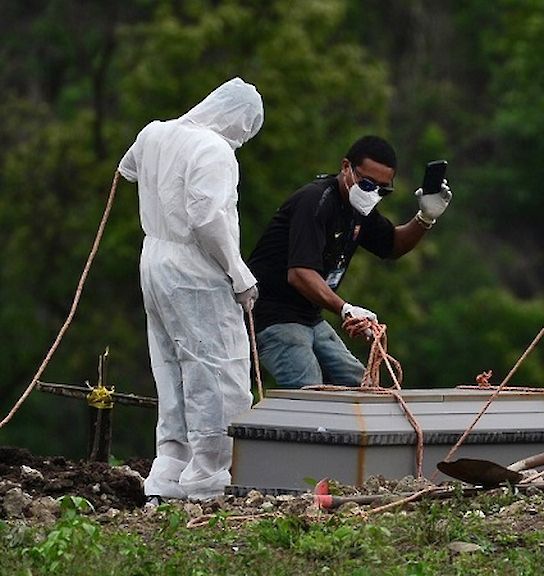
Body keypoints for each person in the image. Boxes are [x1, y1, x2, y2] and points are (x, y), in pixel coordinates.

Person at [117, 77, 263, 501]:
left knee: (171, 367)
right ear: (238, 121)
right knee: (218, 370)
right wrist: (239, 273)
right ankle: (207, 477)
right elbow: (207, 219)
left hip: (155, 259)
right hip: (195, 269)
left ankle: (169, 472)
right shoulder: (214, 149)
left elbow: (126, 169)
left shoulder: (155, 132)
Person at [247, 136, 452, 388]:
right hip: (273, 316)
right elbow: (299, 273)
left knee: (360, 385)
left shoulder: (358, 208)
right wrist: (346, 309)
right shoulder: (315, 200)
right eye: (367, 184)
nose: (373, 193)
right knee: (310, 388)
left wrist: (425, 218)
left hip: (309, 317)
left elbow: (392, 246)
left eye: (383, 189)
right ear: (346, 167)